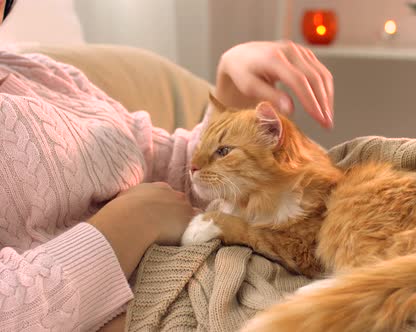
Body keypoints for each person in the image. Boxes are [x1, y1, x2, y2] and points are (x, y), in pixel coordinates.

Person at [0, 4, 334, 331]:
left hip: (236, 261)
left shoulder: (47, 76)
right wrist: (127, 226)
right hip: (186, 299)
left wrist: (233, 93)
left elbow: (179, 172)